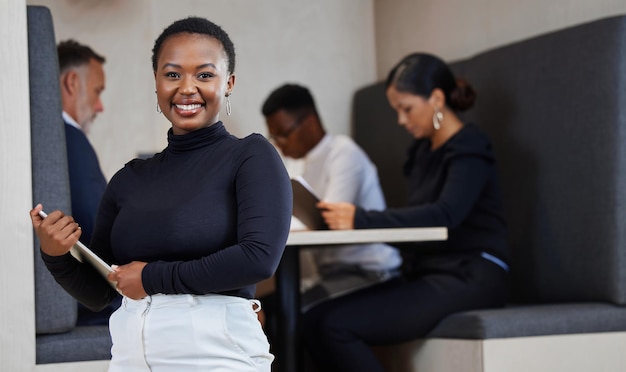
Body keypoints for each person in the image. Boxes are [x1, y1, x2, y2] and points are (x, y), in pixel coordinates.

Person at [30, 16, 292, 372]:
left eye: (204, 74)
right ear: (156, 82)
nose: (187, 87)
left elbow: (258, 258)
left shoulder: (250, 156)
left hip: (217, 356)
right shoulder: (130, 179)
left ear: (228, 83)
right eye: (172, 74)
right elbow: (103, 291)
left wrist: (151, 277)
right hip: (130, 357)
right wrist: (56, 255)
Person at [301, 53, 511, 372]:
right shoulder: (423, 151)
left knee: (335, 327)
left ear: (437, 99)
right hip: (429, 273)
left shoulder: (469, 147)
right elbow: (423, 222)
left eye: (406, 108)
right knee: (312, 320)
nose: (401, 120)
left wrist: (361, 219)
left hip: (472, 274)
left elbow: (444, 217)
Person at [259, 84, 402, 324]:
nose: (280, 144)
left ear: (310, 122)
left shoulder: (344, 153)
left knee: (287, 314)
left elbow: (330, 222)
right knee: (260, 311)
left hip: (370, 272)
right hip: (331, 275)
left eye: (284, 133)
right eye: (274, 137)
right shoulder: (296, 164)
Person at [57, 39, 120, 326]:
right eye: (97, 92)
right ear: (72, 82)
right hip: (95, 307)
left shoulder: (45, 141)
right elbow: (99, 234)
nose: (100, 106)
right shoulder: (70, 140)